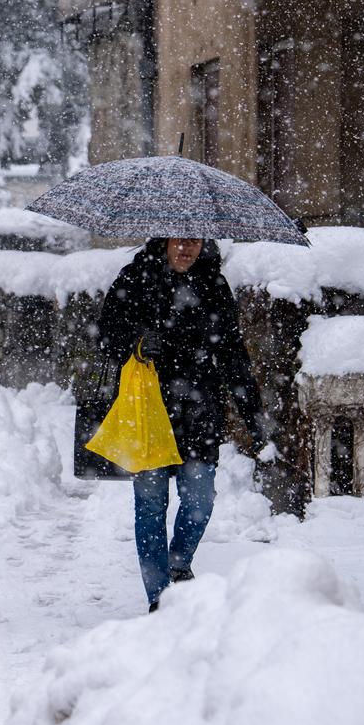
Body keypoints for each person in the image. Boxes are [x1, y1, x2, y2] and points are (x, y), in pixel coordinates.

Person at [96, 237, 270, 612]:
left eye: (195, 239)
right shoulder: (135, 278)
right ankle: (159, 597)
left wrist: (253, 416)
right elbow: (106, 337)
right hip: (149, 412)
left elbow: (233, 354)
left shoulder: (214, 284)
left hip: (200, 414)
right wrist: (137, 344)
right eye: (180, 239)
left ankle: (178, 562)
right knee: (150, 507)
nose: (187, 247)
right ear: (164, 240)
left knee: (200, 502)